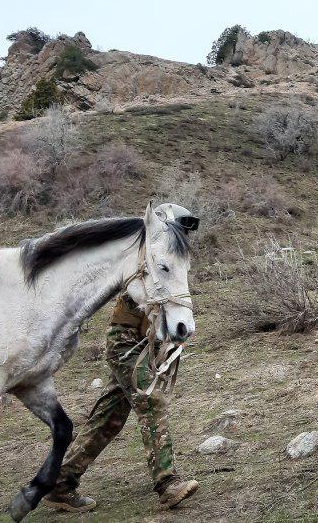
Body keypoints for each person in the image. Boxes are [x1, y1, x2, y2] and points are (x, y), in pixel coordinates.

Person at [44, 205, 201, 513]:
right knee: (151, 400)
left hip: (145, 342)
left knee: (109, 418)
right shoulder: (145, 259)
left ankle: (61, 482)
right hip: (126, 342)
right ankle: (167, 483)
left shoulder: (168, 259)